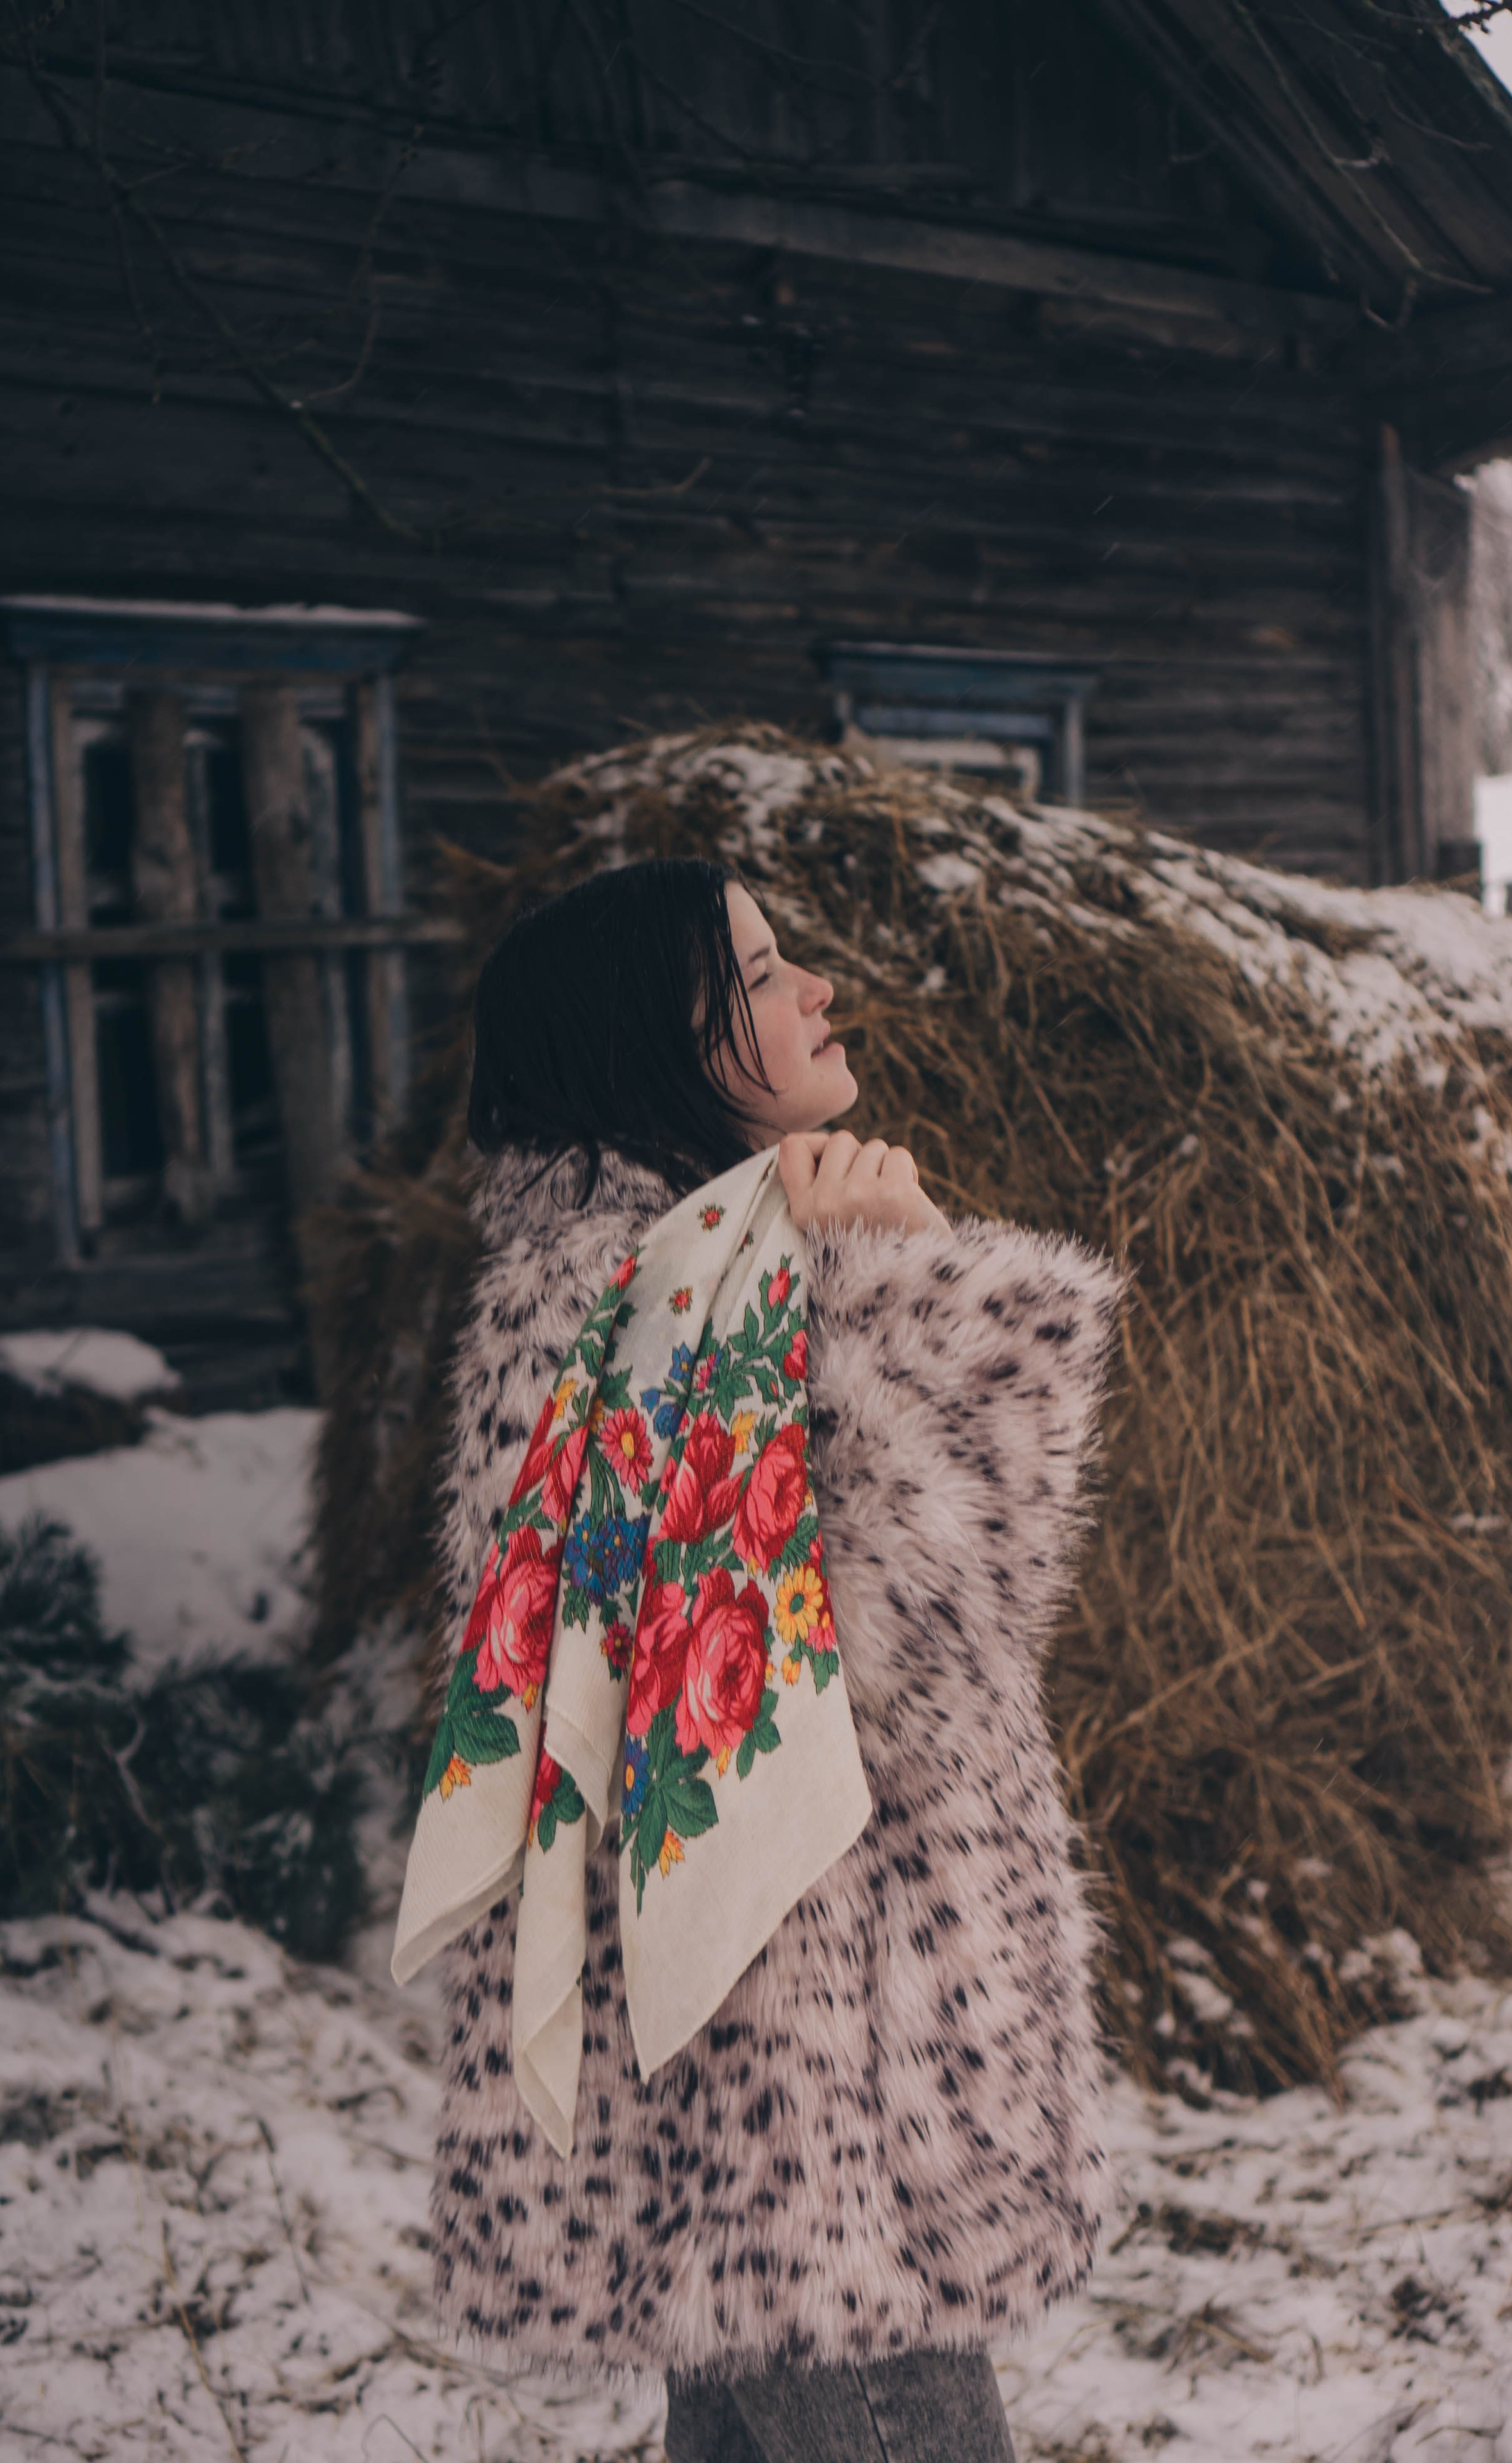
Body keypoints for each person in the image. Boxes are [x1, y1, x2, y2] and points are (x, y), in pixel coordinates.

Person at [429, 856, 1125, 2462]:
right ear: (652, 1053)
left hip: (758, 2084)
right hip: (806, 2107)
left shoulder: (678, 1278)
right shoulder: (653, 1308)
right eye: (752, 980)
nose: (813, 987)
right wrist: (915, 1283)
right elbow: (890, 1652)